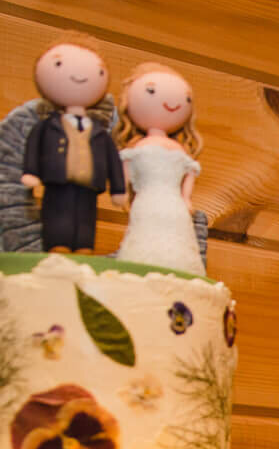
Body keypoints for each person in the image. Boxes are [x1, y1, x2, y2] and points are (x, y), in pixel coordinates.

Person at [20, 41, 126, 254]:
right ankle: (57, 245)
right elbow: (33, 146)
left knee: (86, 217)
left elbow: (113, 160)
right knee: (57, 213)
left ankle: (84, 246)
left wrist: (118, 189)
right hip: (57, 182)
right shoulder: (48, 126)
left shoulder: (98, 131)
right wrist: (31, 172)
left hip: (89, 186)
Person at [113, 63, 206, 276]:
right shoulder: (138, 148)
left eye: (185, 98)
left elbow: (190, 172)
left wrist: (186, 198)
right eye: (151, 91)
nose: (172, 102)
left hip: (175, 204)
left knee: (178, 236)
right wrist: (123, 191)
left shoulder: (180, 151)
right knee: (144, 232)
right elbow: (126, 170)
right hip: (147, 199)